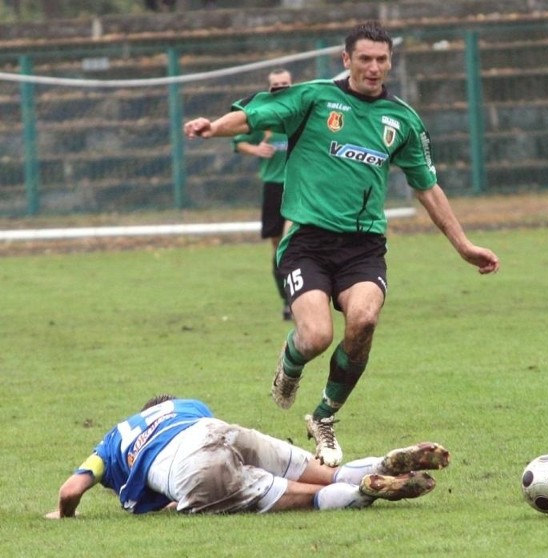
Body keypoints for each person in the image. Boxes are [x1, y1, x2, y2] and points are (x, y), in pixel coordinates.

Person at [184, 20, 500, 467]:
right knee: (315, 337)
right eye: (365, 59)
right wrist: (212, 127)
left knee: (365, 321)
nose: (374, 68)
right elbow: (255, 114)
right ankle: (290, 366)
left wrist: (464, 246)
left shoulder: (403, 121)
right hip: (307, 241)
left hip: (363, 246)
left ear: (390, 62)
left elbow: (427, 187)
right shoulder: (315, 98)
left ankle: (324, 417)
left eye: (382, 59)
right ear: (346, 60)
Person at [44, 395, 451, 517]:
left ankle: (370, 488)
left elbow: (70, 490)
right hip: (215, 431)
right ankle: (380, 464)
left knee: (308, 497)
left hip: (191, 470)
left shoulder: (110, 443)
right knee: (329, 473)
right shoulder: (183, 406)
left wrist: (63, 515)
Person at [233, 69, 293, 320]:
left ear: (292, 85)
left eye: (285, 83)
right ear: (269, 88)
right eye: (275, 84)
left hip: (298, 187)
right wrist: (257, 149)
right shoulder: (264, 117)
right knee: (278, 248)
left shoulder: (300, 114)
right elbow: (238, 142)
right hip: (272, 187)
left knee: (293, 242)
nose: (280, 87)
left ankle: (303, 298)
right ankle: (286, 302)